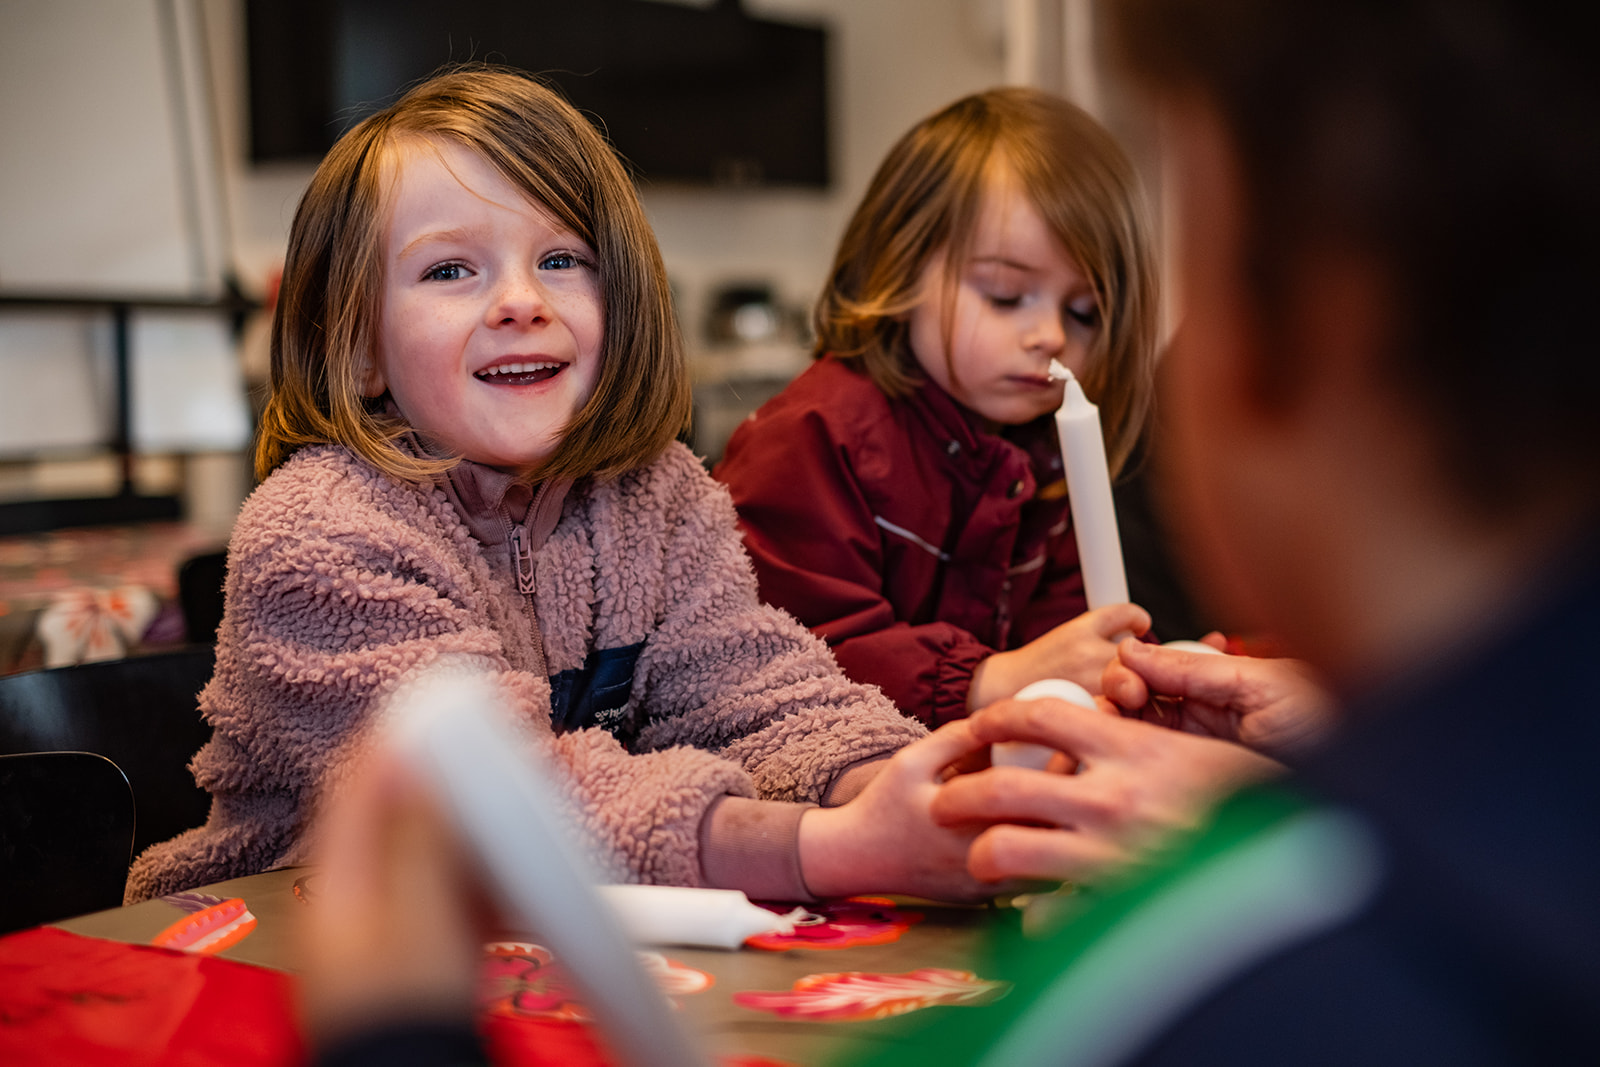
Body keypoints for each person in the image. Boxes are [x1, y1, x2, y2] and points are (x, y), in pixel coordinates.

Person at [123, 67, 1007, 909]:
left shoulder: (655, 494)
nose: (520, 301)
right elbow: (488, 803)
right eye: (449, 270)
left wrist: (922, 794)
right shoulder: (320, 532)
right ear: (356, 349)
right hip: (294, 959)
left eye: (561, 259)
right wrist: (831, 847)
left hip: (559, 946)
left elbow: (758, 694)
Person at [714, 88, 1163, 726]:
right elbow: (780, 655)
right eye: (1006, 296)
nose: (1052, 336)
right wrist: (992, 678)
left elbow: (1062, 627)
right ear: (898, 270)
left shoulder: (1041, 449)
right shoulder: (814, 437)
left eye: (1083, 312)